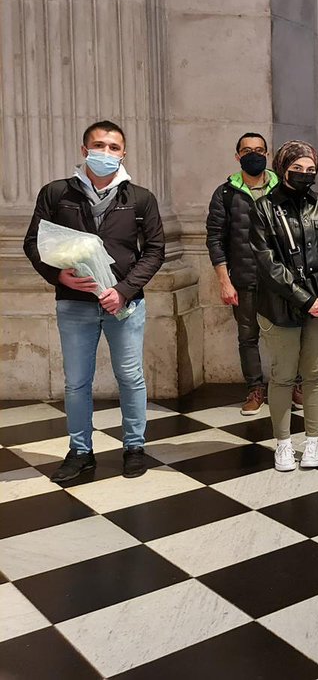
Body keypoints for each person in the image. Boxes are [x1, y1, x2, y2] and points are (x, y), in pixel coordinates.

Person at [23, 121, 165, 482]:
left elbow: (154, 250)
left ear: (123, 153)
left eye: (114, 147)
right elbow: (33, 244)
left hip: (124, 305)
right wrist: (59, 276)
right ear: (85, 151)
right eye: (99, 146)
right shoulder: (57, 194)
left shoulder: (140, 198)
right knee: (76, 382)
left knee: (130, 378)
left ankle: (134, 447)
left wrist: (124, 291)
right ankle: (80, 451)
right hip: (74, 304)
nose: (106, 153)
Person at [250, 141, 318, 472]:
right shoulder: (263, 208)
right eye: (298, 170)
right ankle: (282, 443)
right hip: (281, 305)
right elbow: (268, 264)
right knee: (281, 376)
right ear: (282, 169)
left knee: (315, 374)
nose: (305, 175)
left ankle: (312, 441)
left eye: (311, 170)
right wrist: (305, 299)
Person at [205, 132, 296, 415]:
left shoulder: (286, 189)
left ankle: (293, 385)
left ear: (267, 154)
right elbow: (215, 238)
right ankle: (255, 390)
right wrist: (224, 280)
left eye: (259, 149)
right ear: (237, 156)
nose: (253, 154)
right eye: (247, 150)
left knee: (288, 334)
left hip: (281, 278)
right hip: (244, 278)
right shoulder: (225, 193)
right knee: (248, 337)